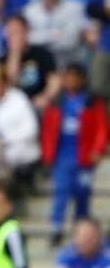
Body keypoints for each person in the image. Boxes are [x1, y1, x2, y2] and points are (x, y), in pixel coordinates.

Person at [40, 63, 107, 239]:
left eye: (74, 76)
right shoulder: (57, 102)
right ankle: (56, 227)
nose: (70, 80)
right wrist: (48, 154)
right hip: (63, 155)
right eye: (67, 76)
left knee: (82, 192)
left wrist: (97, 150)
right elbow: (48, 130)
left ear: (82, 78)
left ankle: (82, 230)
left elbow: (101, 128)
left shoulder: (91, 101)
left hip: (84, 156)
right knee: (61, 190)